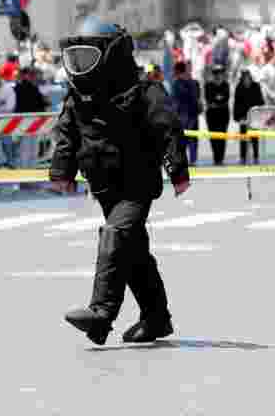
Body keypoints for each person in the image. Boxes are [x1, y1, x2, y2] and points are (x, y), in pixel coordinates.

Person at [50, 19, 190, 346]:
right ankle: (156, 318)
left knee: (115, 235)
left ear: (112, 56)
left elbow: (168, 130)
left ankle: (101, 315)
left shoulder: (145, 91)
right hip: (103, 186)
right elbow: (66, 137)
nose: (79, 66)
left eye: (87, 57)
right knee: (133, 253)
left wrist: (178, 172)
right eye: (75, 58)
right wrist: (61, 173)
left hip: (137, 184)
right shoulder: (78, 98)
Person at [170, 61, 201, 164]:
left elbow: (195, 98)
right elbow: (175, 99)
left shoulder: (192, 83)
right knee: (182, 139)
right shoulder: (178, 83)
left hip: (190, 115)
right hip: (183, 114)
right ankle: (183, 159)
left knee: (190, 138)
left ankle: (192, 160)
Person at [233, 68, 264, 165]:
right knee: (243, 138)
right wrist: (237, 117)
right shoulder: (239, 87)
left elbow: (261, 101)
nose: (246, 78)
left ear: (250, 77)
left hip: (254, 116)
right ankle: (242, 157)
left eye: (247, 76)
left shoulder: (256, 86)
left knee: (255, 138)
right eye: (244, 77)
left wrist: (259, 114)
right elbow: (236, 103)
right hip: (243, 116)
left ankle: (256, 157)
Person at [203, 64, 231, 166]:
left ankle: (221, 158)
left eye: (220, 73)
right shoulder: (208, 85)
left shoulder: (225, 85)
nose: (218, 75)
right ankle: (216, 158)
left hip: (223, 114)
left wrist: (217, 100)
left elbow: (225, 98)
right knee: (213, 137)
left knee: (222, 136)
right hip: (212, 115)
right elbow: (209, 98)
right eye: (216, 73)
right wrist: (218, 99)